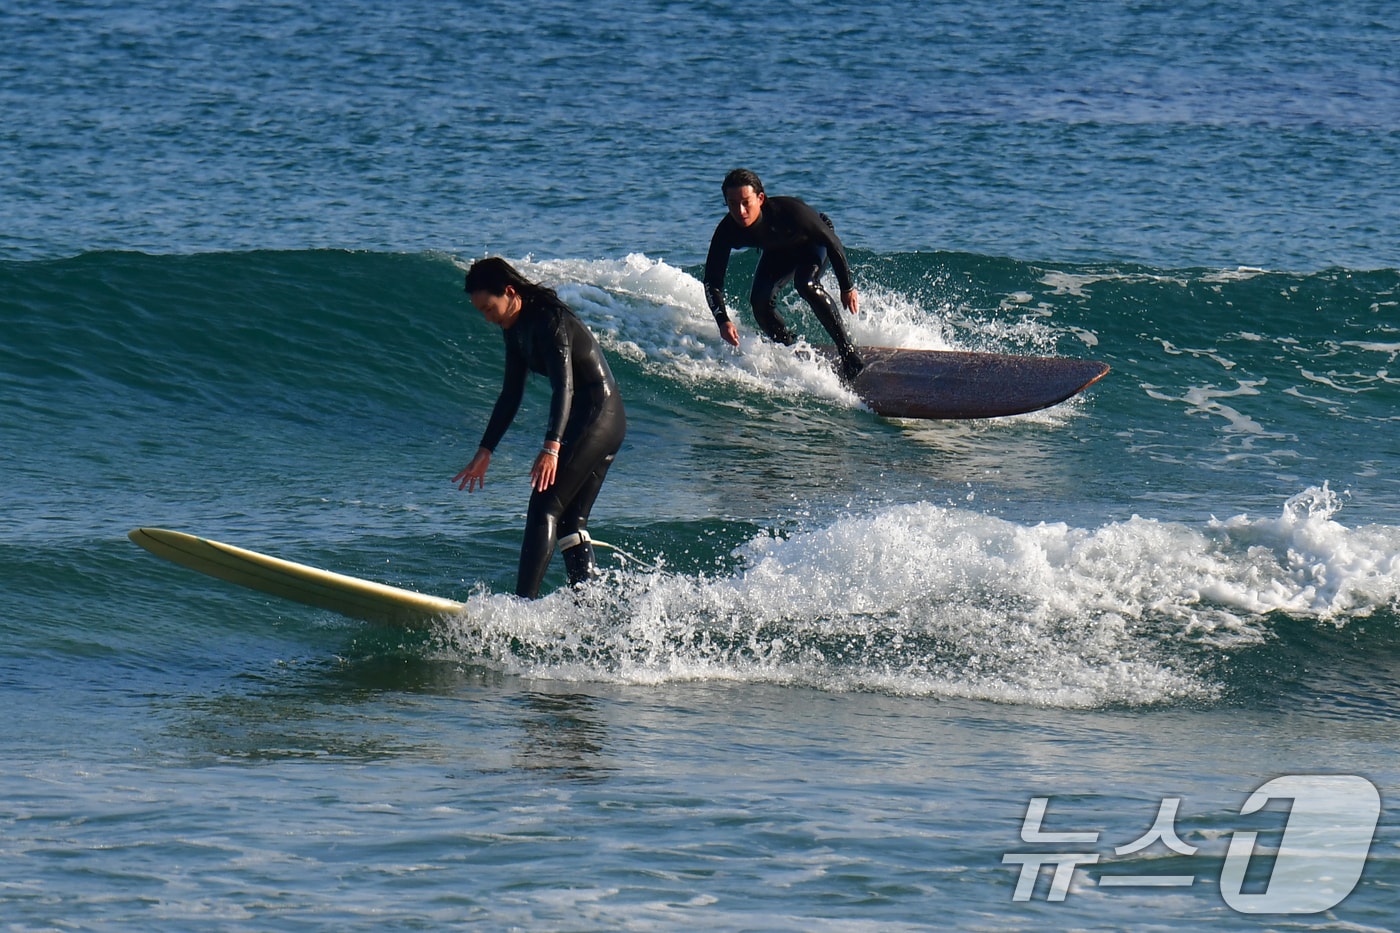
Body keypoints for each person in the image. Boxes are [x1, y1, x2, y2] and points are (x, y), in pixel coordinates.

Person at [453, 257, 626, 599]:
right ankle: (587, 602)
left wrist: (552, 447)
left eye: (490, 308)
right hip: (596, 419)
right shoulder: (515, 328)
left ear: (510, 292)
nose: (489, 318)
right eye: (482, 312)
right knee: (569, 521)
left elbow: (566, 387)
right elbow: (510, 394)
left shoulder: (550, 321)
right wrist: (485, 450)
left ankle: (522, 604)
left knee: (543, 506)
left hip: (598, 415)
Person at [703, 168, 865, 381]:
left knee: (805, 284)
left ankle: (849, 354)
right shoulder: (726, 231)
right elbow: (711, 281)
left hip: (813, 242)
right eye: (732, 204)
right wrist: (722, 320)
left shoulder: (790, 212)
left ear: (760, 198)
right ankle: (791, 350)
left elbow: (831, 242)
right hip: (779, 250)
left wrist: (847, 286)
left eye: (745, 203)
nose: (740, 211)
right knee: (759, 302)